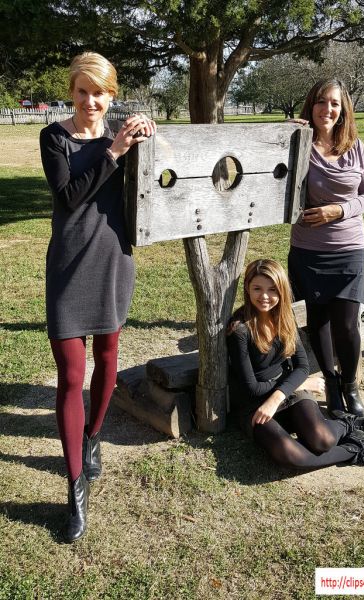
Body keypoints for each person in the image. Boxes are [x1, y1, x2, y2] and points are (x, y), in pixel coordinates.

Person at [40, 52, 157, 543]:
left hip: (113, 258)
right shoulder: (54, 136)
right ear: (73, 91)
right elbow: (69, 197)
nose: (91, 100)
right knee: (71, 375)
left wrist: (149, 137)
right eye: (83, 91)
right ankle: (74, 490)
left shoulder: (126, 132)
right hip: (69, 264)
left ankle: (92, 440)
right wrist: (113, 152)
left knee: (108, 360)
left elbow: (162, 177)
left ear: (112, 94)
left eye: (100, 92)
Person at [227, 259, 364, 471]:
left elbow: (302, 366)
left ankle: (348, 424)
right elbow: (251, 388)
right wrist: (299, 385)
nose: (264, 296)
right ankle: (358, 450)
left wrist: (282, 393)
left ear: (282, 291)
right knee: (290, 455)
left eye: (272, 290)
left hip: (285, 393)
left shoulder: (284, 318)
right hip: (255, 405)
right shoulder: (240, 330)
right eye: (257, 289)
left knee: (322, 440)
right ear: (247, 288)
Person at [288, 78, 364, 418]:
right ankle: (329, 381)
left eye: (335, 104)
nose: (328, 109)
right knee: (319, 321)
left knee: (347, 324)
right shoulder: (299, 142)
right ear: (311, 105)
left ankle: (349, 385)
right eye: (321, 102)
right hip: (308, 249)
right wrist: (282, 131)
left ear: (343, 110)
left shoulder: (354, 145)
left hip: (349, 247)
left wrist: (338, 210)